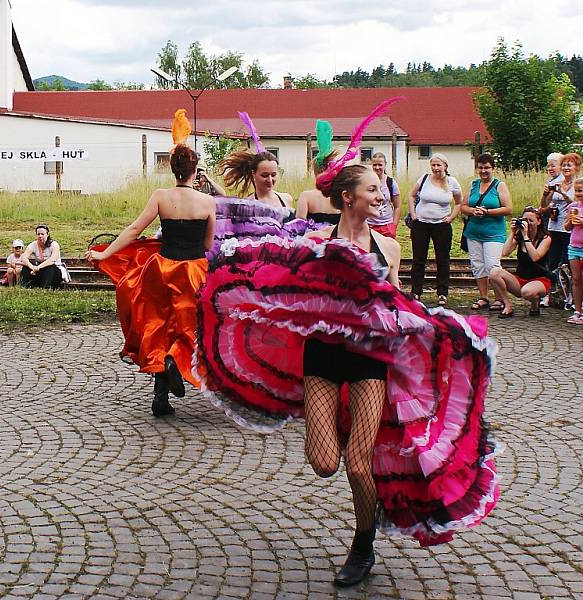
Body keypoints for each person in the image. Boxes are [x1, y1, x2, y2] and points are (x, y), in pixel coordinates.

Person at [195, 99, 500, 587]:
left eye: (381, 190)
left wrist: (436, 331)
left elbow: (398, 305)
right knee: (323, 463)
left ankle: (363, 544)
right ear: (348, 198)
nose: (381, 196)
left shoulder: (390, 247)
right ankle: (340, 435)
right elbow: (276, 277)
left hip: (370, 362)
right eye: (373, 190)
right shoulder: (316, 243)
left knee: (359, 465)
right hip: (321, 357)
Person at [86, 138, 216, 417]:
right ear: (195, 171)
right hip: (194, 272)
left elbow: (134, 229)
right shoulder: (207, 202)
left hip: (162, 269)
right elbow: (207, 244)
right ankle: (173, 362)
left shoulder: (160, 196)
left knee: (158, 326)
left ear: (173, 169)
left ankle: (161, 392)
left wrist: (104, 254)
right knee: (189, 328)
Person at [407, 153, 463, 305]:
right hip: (421, 223)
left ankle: (442, 293)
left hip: (441, 225)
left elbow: (459, 202)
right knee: (419, 259)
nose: (436, 168)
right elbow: (411, 196)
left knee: (442, 259)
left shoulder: (452, 182)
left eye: (439, 165)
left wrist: (451, 217)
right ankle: (416, 291)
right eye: (433, 165)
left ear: (445, 166)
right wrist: (413, 214)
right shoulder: (424, 178)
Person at [462, 153, 512, 310]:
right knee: (478, 265)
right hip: (474, 232)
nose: (484, 171)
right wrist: (472, 211)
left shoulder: (499, 185)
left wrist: (487, 212)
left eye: (487, 168)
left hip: (493, 233)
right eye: (481, 168)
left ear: (493, 168)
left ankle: (499, 298)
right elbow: (463, 206)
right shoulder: (473, 185)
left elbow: (508, 208)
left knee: (493, 266)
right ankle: (483, 296)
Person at [221, 113, 294, 218]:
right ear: (254, 174)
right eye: (264, 175)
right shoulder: (248, 205)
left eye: (273, 175)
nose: (269, 180)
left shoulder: (286, 199)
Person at [489, 206, 551, 318]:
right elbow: (505, 252)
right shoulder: (520, 236)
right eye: (524, 220)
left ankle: (535, 303)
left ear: (539, 222)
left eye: (531, 221)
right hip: (520, 278)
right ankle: (508, 306)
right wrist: (513, 233)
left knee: (527, 292)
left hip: (540, 279)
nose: (527, 223)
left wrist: (526, 236)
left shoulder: (546, 238)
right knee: (494, 273)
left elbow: (535, 257)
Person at [296, 120, 341, 226]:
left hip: (313, 241)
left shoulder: (306, 196)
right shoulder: (342, 197)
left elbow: (298, 225)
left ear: (315, 171)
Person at [541, 152, 581, 272]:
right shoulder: (555, 183)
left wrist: (562, 194)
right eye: (563, 165)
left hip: (569, 227)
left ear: (576, 168)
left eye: (569, 165)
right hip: (554, 225)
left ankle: (567, 287)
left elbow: (577, 204)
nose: (565, 168)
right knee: (553, 259)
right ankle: (554, 286)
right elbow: (544, 205)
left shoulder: (579, 184)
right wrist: (546, 194)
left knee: (566, 260)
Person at [564, 177, 583, 324]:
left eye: (580, 191)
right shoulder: (573, 207)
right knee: (576, 279)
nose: (577, 194)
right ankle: (577, 309)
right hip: (573, 246)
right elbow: (567, 227)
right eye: (575, 191)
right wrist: (571, 220)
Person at [19, 224, 71, 288]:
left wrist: (38, 267)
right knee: (26, 266)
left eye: (42, 234)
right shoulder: (33, 244)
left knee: (49, 267)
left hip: (55, 272)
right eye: (38, 234)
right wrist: (31, 266)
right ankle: (24, 285)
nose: (40, 236)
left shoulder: (54, 245)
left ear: (47, 234)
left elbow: (52, 260)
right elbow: (23, 257)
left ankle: (45, 287)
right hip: (40, 271)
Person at [366, 152, 401, 237]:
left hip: (387, 226)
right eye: (375, 165)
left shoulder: (390, 183)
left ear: (385, 165)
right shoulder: (365, 182)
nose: (377, 167)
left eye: (380, 165)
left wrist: (394, 225)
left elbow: (397, 206)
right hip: (369, 225)